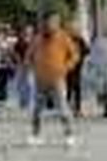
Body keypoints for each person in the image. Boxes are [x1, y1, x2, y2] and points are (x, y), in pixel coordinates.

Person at [27, 13, 80, 147]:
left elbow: (74, 55)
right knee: (37, 109)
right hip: (40, 80)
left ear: (57, 23)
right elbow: (29, 56)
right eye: (48, 22)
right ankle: (35, 134)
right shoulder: (38, 39)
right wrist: (32, 68)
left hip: (57, 78)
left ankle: (69, 134)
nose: (50, 25)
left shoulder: (63, 37)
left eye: (54, 22)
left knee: (62, 107)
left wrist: (66, 68)